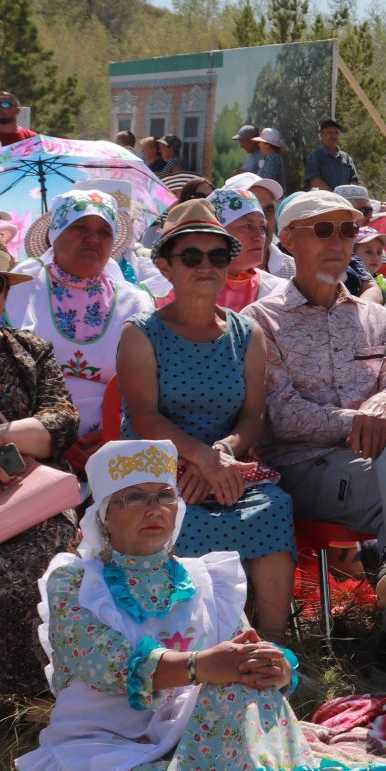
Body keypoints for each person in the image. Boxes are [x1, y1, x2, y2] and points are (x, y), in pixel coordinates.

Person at [14, 439, 386, 771]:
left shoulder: (203, 578)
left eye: (165, 495)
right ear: (105, 518)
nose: (154, 508)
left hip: (196, 724)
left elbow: (237, 652)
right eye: (134, 497)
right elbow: (104, 664)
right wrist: (202, 666)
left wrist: (272, 668)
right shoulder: (76, 582)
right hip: (111, 733)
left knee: (244, 684)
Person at [239, 191, 386, 666]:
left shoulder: (376, 317)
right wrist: (360, 421)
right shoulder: (260, 321)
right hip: (305, 468)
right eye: (323, 230)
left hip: (383, 459)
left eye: (347, 230)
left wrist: (385, 401)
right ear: (290, 240)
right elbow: (281, 414)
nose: (338, 241)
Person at [116, 198, 295, 641]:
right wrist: (198, 460)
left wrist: (222, 454)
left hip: (224, 464)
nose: (206, 265)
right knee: (178, 515)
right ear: (165, 265)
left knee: (274, 507)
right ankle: (185, 643)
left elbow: (253, 414)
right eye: (191, 256)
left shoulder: (247, 333)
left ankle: (274, 644)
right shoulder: (140, 333)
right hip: (153, 466)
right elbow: (144, 416)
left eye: (217, 256)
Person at [0, 225, 79, 754]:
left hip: (19, 504)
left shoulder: (30, 352)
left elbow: (62, 422)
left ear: (7, 292)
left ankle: (41, 694)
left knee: (54, 557)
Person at [6, 189, 154, 453]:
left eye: (104, 232)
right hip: (31, 439)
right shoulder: (22, 287)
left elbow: (146, 390)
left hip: (115, 440)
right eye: (80, 227)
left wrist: (111, 436)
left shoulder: (135, 302)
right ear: (55, 234)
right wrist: (53, 439)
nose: (93, 238)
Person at [204, 187, 291, 312]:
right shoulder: (182, 288)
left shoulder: (280, 292)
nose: (259, 237)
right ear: (217, 233)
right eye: (247, 226)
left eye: (262, 227)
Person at [304, 117, 358, 190]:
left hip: (344, 199)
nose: (333, 136)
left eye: (336, 132)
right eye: (329, 132)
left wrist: (347, 193)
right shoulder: (315, 156)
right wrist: (333, 196)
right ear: (322, 135)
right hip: (322, 199)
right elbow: (314, 180)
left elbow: (353, 179)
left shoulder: (346, 158)